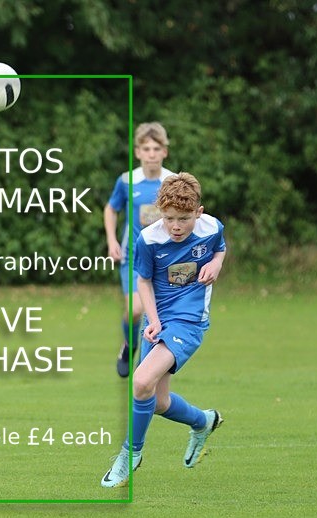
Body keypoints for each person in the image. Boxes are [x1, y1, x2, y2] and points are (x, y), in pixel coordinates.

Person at [101, 172, 226, 488]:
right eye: (170, 218)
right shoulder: (149, 238)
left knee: (140, 381)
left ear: (198, 212)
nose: (177, 226)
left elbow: (220, 247)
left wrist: (216, 264)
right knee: (156, 401)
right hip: (159, 320)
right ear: (160, 212)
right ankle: (204, 421)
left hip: (190, 320)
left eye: (185, 218)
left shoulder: (211, 228)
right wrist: (153, 320)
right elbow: (142, 281)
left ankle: (130, 455)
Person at [104, 122, 175, 377]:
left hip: (166, 260)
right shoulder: (126, 181)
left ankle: (145, 368)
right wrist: (112, 241)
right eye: (147, 148)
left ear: (165, 151)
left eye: (157, 148)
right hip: (133, 257)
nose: (152, 153)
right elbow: (111, 209)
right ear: (138, 152)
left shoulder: (173, 182)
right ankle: (129, 345)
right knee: (136, 310)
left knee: (157, 316)